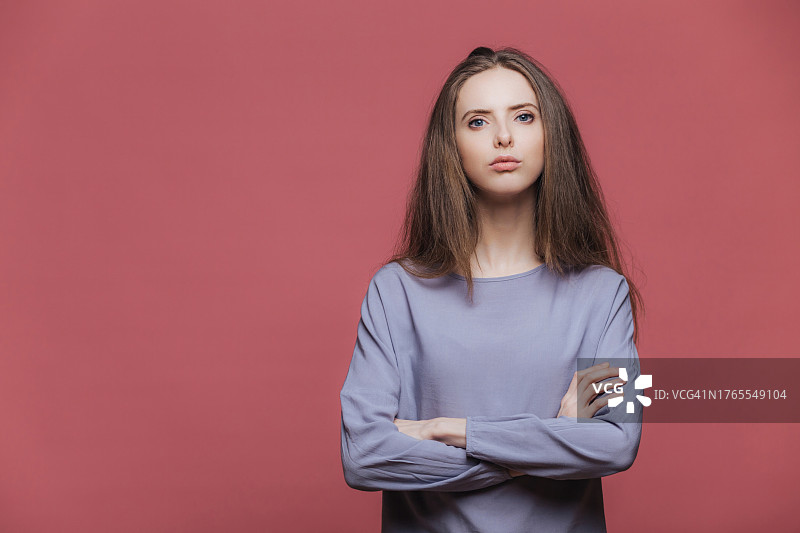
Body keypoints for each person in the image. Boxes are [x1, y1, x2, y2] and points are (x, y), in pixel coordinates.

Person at [339, 46, 645, 533]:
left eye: (524, 116)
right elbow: (363, 457)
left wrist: (453, 431)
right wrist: (539, 452)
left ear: (552, 135)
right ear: (452, 145)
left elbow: (617, 443)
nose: (504, 136)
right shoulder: (396, 291)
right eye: (478, 122)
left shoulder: (603, 295)